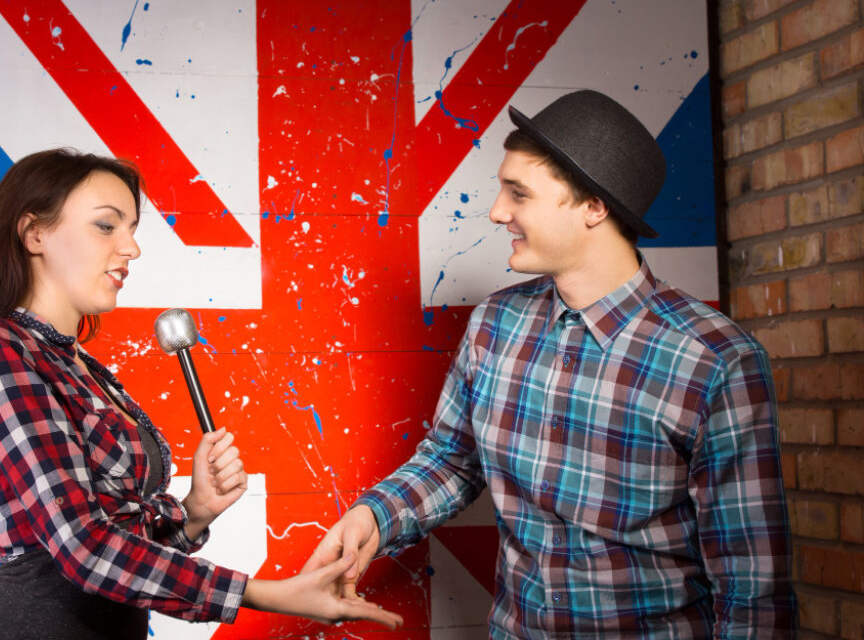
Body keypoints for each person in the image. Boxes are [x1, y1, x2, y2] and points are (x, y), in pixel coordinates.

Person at [304, 91, 796, 637]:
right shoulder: (495, 324)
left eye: (519, 193)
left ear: (594, 206)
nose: (497, 211)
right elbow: (454, 459)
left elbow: (751, 587)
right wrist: (374, 515)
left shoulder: (716, 363)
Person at [0, 148, 402, 638]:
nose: (131, 248)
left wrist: (197, 511)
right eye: (106, 226)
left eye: (132, 230)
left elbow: (122, 554)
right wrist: (272, 593)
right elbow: (82, 548)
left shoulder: (83, 367)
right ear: (35, 233)